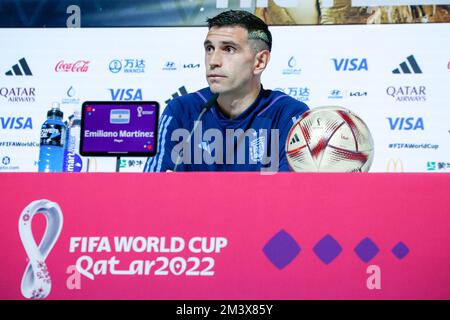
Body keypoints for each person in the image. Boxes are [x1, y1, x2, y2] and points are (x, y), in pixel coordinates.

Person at [144, 10, 309, 172]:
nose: (213, 61)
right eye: (209, 49)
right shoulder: (181, 111)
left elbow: (292, 194)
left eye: (229, 49)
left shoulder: (288, 114)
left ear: (259, 62)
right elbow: (151, 191)